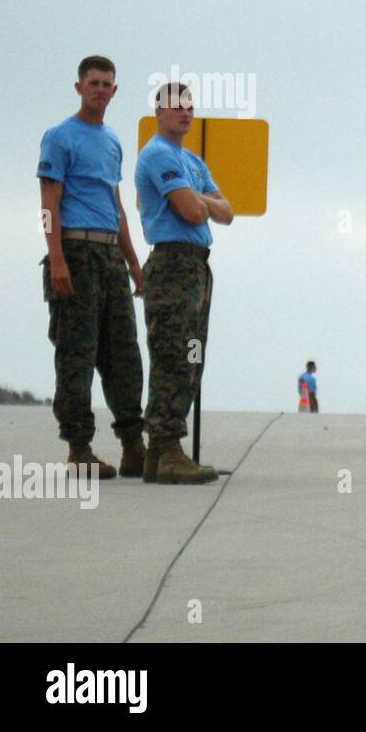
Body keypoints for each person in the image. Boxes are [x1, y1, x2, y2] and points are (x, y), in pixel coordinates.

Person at [37, 55, 147, 479]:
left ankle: (133, 444)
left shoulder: (112, 141)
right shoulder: (60, 137)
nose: (100, 90)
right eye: (93, 83)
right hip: (76, 252)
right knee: (76, 352)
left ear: (114, 91)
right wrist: (58, 258)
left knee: (123, 353)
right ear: (79, 87)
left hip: (109, 256)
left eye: (107, 84)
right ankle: (79, 447)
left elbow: (115, 204)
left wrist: (134, 264)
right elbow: (49, 203)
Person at [134, 82, 234, 483]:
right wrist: (203, 202)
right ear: (159, 113)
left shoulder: (192, 161)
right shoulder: (158, 154)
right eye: (177, 107)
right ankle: (166, 444)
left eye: (190, 107)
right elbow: (193, 212)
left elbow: (226, 212)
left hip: (196, 267)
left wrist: (203, 200)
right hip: (172, 264)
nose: (186, 114)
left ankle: (161, 454)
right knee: (173, 355)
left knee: (192, 356)